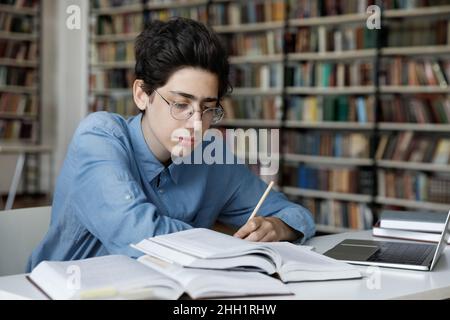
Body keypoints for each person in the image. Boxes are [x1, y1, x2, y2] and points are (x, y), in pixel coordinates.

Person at [27, 18, 315, 271]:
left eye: (208, 108)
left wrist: (278, 226)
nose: (197, 124)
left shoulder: (211, 157)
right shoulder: (99, 137)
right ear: (142, 94)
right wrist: (225, 243)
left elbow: (294, 214)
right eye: (180, 104)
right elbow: (138, 235)